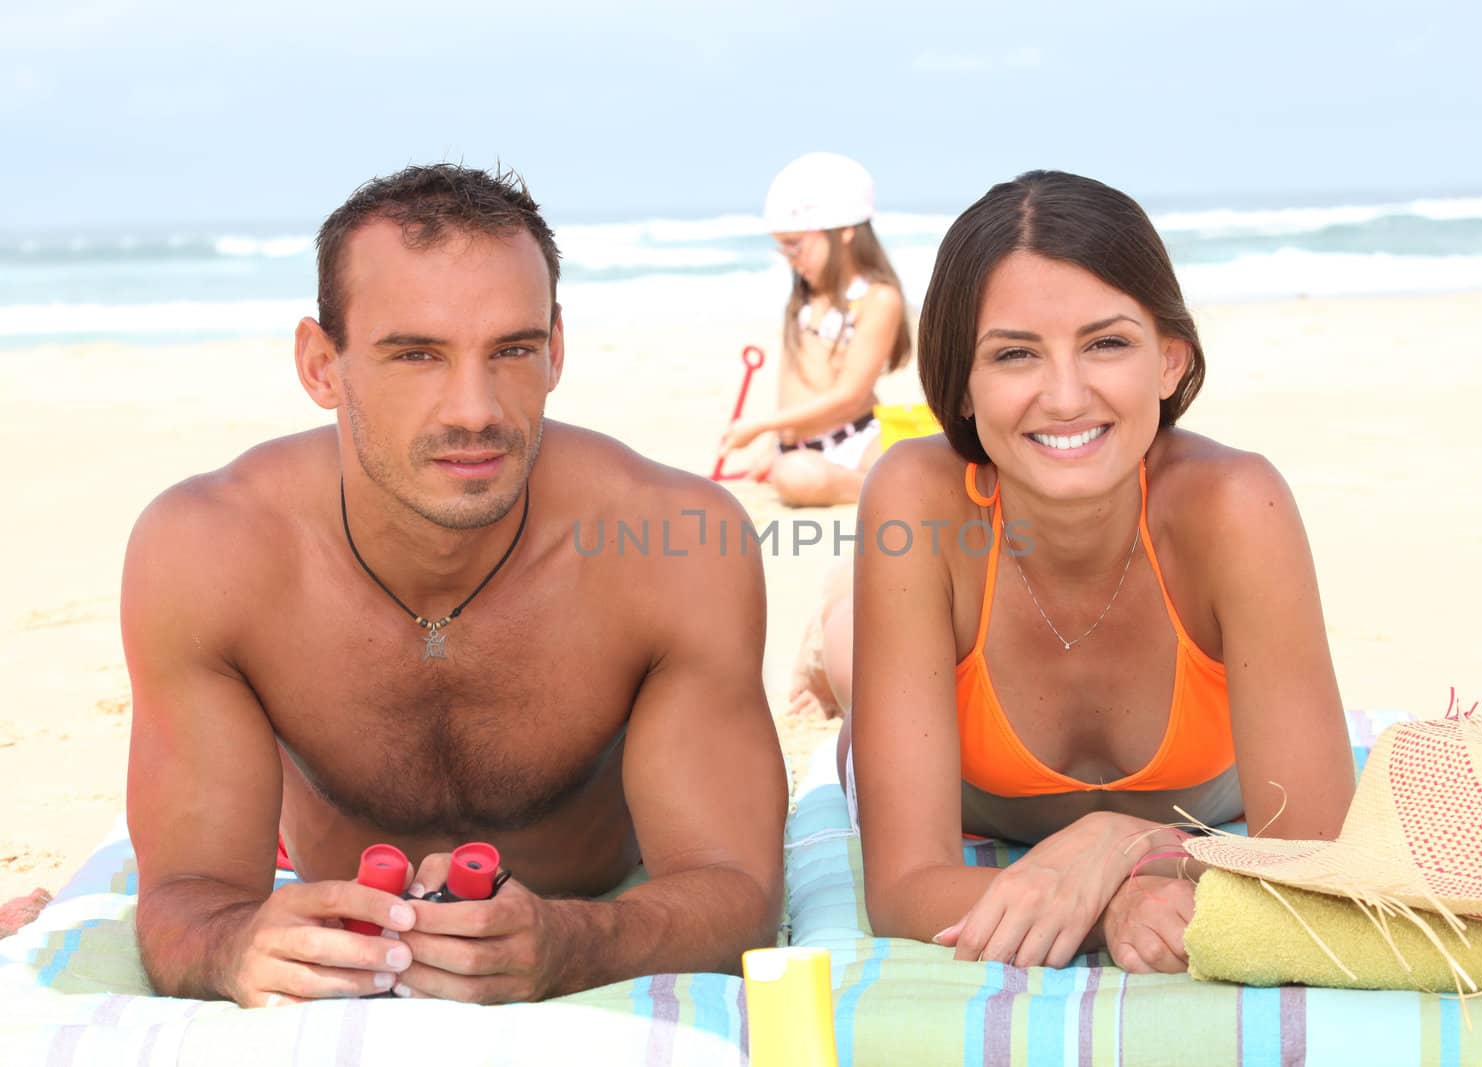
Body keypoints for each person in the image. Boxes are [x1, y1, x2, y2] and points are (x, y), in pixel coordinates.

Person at [123, 163, 787, 1006]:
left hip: (591, 899)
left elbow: (736, 889)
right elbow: (190, 894)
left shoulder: (678, 543)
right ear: (321, 365)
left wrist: (574, 943)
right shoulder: (208, 551)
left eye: (511, 350)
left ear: (555, 352)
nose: (474, 408)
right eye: (417, 355)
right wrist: (231, 949)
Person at [844, 171, 1357, 975]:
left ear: (1169, 360)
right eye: (1015, 354)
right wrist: (1110, 897)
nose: (1066, 395)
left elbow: (1319, 860)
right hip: (921, 636)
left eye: (1107, 343)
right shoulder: (913, 495)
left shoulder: (1236, 506)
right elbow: (905, 887)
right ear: (963, 387)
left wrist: (1125, 842)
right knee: (846, 664)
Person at [719, 152, 911, 507]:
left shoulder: (877, 298)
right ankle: (877, 488)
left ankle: (878, 488)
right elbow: (791, 383)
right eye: (783, 247)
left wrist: (760, 424)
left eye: (796, 245)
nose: (791, 259)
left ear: (846, 232)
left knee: (893, 463)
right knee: (792, 472)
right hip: (800, 448)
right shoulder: (804, 296)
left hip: (857, 435)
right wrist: (773, 442)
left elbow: (850, 395)